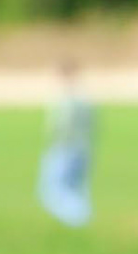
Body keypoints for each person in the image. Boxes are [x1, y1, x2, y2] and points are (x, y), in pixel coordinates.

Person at [37, 59, 95, 227]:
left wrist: (59, 144)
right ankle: (81, 221)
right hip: (82, 149)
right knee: (74, 189)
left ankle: (79, 221)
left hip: (65, 148)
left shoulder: (68, 98)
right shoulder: (85, 97)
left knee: (52, 191)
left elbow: (62, 126)